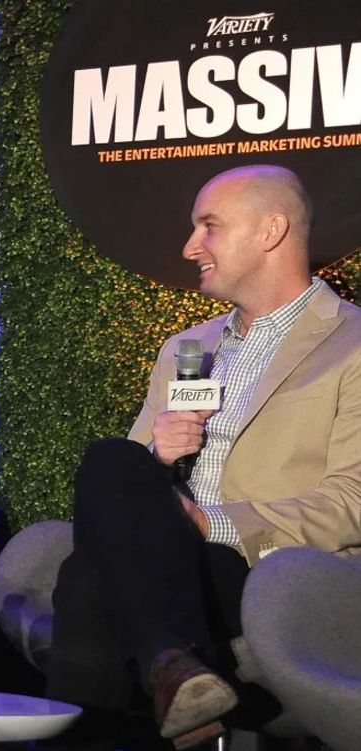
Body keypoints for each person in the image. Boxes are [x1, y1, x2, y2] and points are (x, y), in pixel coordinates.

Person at [46, 165, 361, 749]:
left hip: (273, 570)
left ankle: (169, 664)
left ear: (271, 230)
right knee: (116, 456)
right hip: (168, 552)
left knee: (89, 582)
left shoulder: (353, 343)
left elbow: (352, 502)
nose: (191, 246)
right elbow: (129, 485)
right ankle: (174, 664)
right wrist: (156, 454)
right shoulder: (185, 349)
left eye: (209, 226)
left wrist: (209, 523)